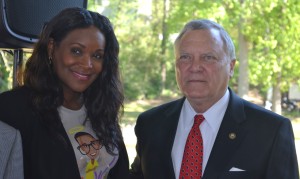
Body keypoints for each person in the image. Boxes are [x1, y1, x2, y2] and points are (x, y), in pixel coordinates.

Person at [129, 19, 299, 179]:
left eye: (208, 57)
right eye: (185, 57)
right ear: (176, 65)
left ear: (231, 67)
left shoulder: (270, 131)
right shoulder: (151, 124)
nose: (195, 67)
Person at [0, 7, 129, 179]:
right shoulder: (12, 109)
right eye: (76, 51)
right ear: (52, 48)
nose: (87, 64)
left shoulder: (101, 106)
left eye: (97, 56)